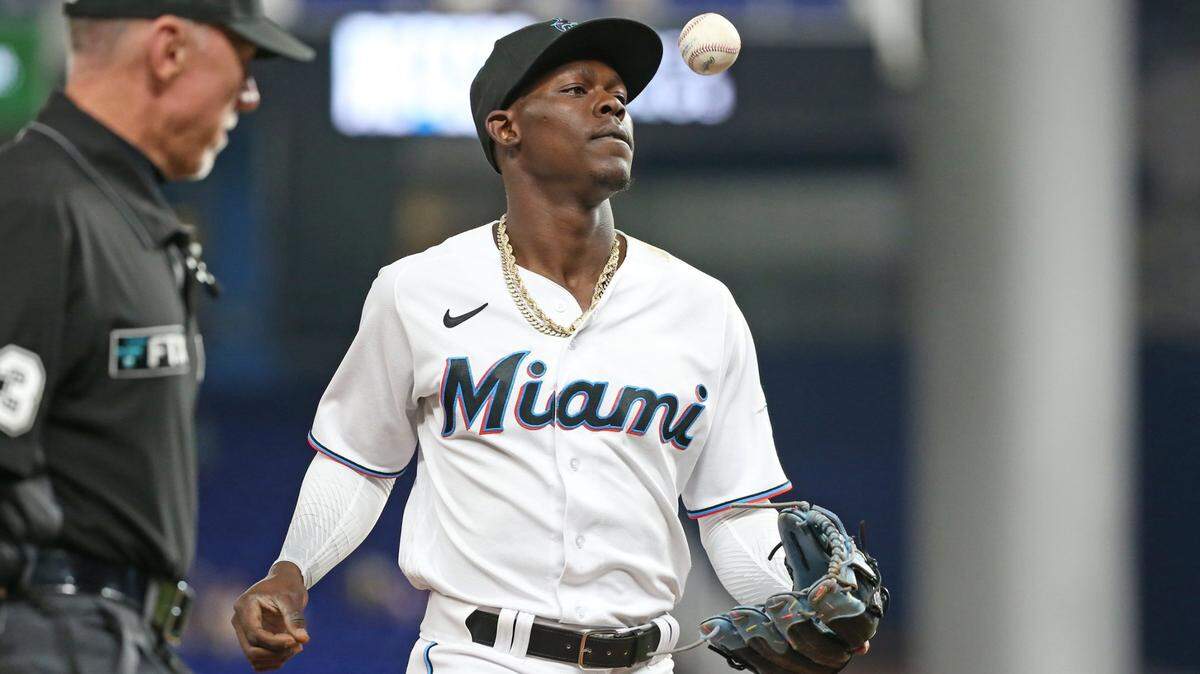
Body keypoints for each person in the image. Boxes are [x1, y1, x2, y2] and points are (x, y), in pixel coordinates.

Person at [231, 17, 874, 674]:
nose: (612, 103)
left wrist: (795, 601)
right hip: (479, 656)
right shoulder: (417, 291)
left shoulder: (701, 308)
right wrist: (292, 573)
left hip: (646, 659)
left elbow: (733, 511)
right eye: (578, 88)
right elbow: (359, 463)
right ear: (506, 127)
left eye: (619, 92)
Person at [0, 1, 311, 672]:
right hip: (44, 632)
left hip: (121, 635)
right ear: (168, 49)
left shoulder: (121, 215)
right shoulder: (31, 205)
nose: (252, 96)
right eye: (245, 64)